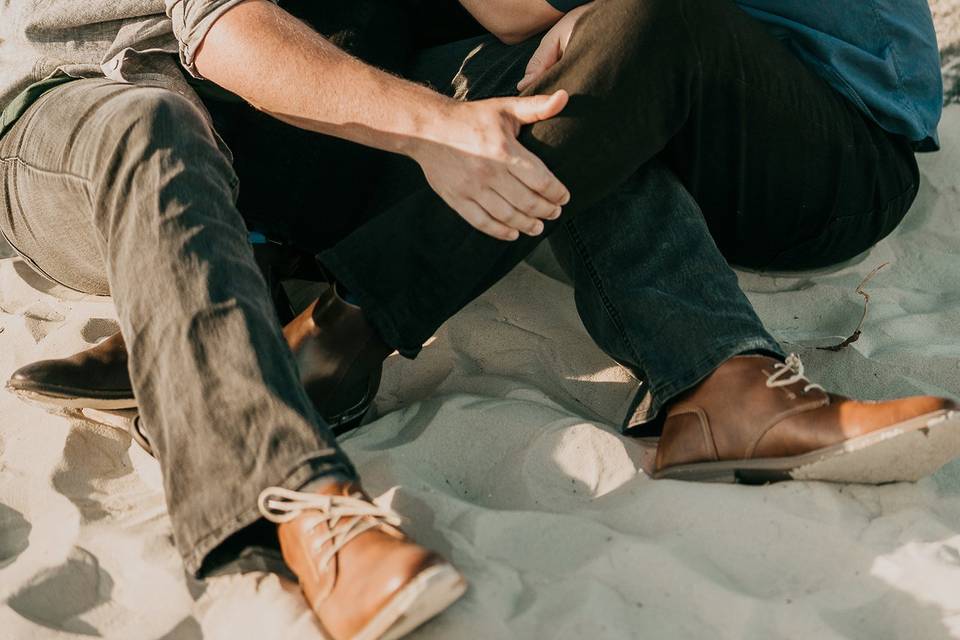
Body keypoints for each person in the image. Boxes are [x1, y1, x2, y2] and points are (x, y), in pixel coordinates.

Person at [2, 0, 959, 635]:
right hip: (102, 103)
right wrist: (435, 125)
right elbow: (223, 28)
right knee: (156, 134)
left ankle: (716, 371)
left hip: (305, 111)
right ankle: (288, 496)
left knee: (537, 89)